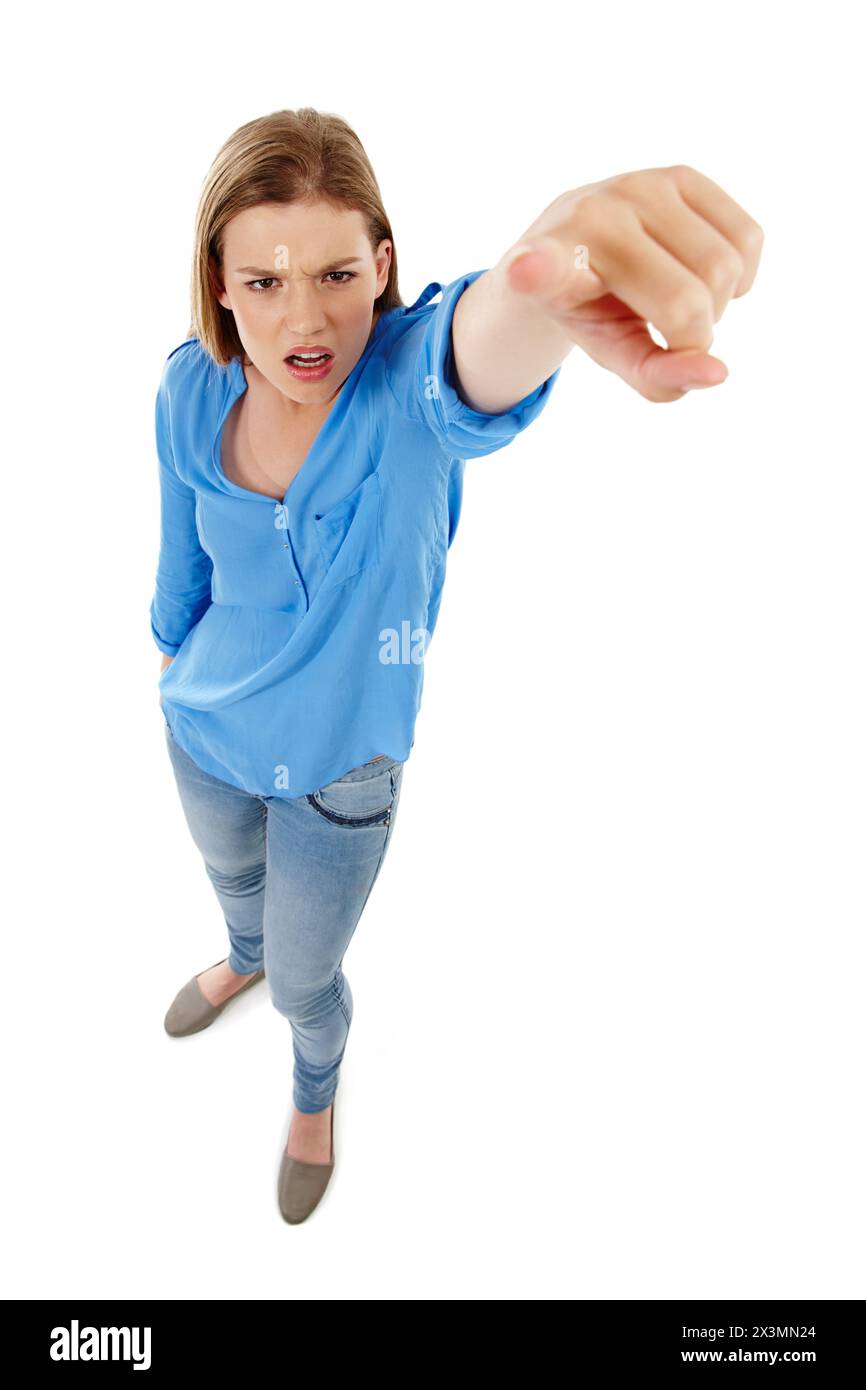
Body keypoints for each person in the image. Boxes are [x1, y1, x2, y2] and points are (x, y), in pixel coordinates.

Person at [150, 108, 763, 1225]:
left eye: (338, 273)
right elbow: (178, 555)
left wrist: (539, 284)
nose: (306, 318)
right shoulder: (188, 387)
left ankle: (311, 1090)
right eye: (266, 279)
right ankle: (236, 951)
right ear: (221, 282)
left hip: (341, 776)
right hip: (201, 733)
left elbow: (469, 352)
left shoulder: (401, 399)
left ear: (381, 265)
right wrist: (165, 647)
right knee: (237, 897)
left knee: (306, 981)